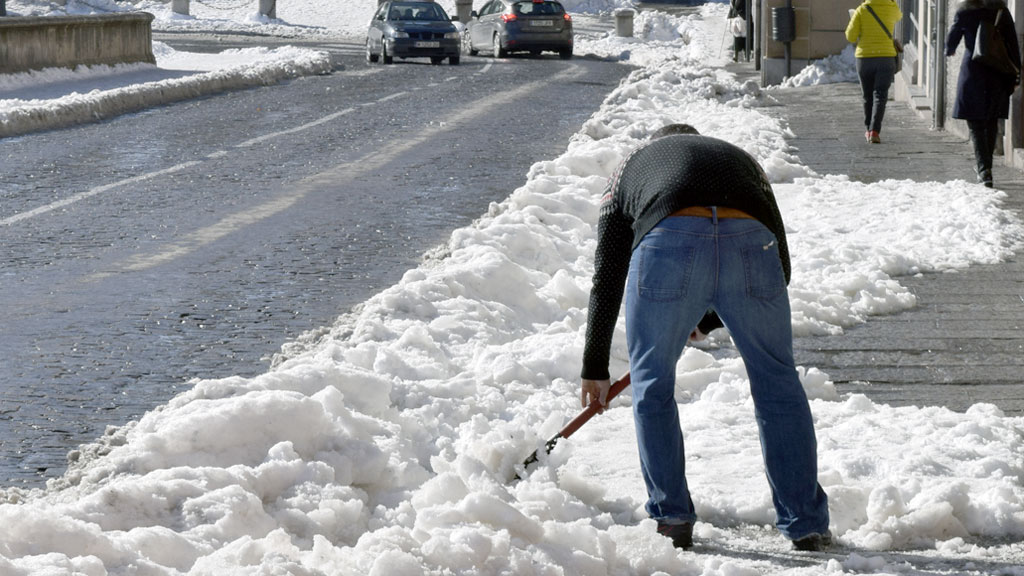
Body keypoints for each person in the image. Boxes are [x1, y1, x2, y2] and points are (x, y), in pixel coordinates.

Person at [580, 124, 831, 551]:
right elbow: (781, 266)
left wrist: (595, 367)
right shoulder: (742, 159)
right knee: (778, 384)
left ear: (658, 143)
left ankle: (673, 518)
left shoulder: (629, 167)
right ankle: (804, 523)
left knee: (652, 386)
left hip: (668, 243)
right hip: (753, 243)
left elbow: (608, 274)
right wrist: (713, 318)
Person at [946, 0, 1021, 188]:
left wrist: (950, 49)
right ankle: (986, 167)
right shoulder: (1001, 10)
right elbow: (1013, 44)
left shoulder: (964, 11)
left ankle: (983, 169)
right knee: (991, 119)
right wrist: (1016, 74)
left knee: (975, 123)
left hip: (973, 71)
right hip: (997, 71)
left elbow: (951, 42)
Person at [845, 0, 903, 144]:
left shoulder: (861, 10)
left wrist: (855, 19)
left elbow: (850, 36)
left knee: (867, 95)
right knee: (880, 95)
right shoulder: (892, 7)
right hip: (886, 58)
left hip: (865, 59)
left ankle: (868, 129)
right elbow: (899, 16)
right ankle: (874, 131)